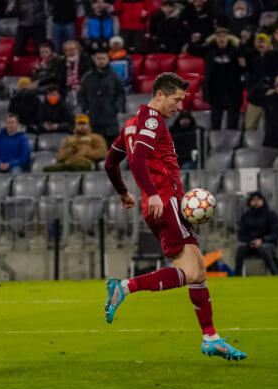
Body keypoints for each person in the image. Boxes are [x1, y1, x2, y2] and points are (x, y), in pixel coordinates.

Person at [103, 72, 247, 361]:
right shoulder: (153, 121)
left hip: (162, 203)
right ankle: (125, 287)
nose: (179, 106)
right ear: (159, 95)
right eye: (176, 100)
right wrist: (152, 192)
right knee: (192, 272)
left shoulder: (131, 125)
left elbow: (110, 164)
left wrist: (124, 193)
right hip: (165, 202)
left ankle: (211, 338)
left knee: (198, 272)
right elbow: (140, 159)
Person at [188, 26, 244, 130]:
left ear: (229, 37)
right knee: (215, 124)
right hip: (215, 93)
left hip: (233, 93)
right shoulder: (209, 49)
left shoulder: (236, 50)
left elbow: (247, 52)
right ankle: (215, 144)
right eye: (219, 36)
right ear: (215, 38)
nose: (222, 39)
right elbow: (192, 50)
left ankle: (232, 145)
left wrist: (238, 41)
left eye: (224, 36)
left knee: (233, 124)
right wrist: (202, 40)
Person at [243, 32, 278, 130]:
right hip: (254, 97)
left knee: (270, 126)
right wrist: (246, 41)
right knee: (250, 126)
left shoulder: (275, 55)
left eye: (263, 42)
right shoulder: (251, 56)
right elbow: (241, 53)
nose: (261, 44)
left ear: (268, 44)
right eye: (258, 42)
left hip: (270, 97)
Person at [77, 49, 125, 143]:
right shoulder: (87, 77)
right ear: (94, 60)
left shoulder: (114, 77)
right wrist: (84, 108)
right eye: (98, 58)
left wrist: (116, 107)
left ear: (108, 60)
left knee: (111, 148)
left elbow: (121, 94)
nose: (101, 61)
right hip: (93, 118)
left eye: (103, 58)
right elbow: (81, 95)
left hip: (110, 118)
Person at [235, 191, 278, 275]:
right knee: (240, 248)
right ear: (250, 202)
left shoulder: (271, 215)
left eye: (258, 199)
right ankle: (238, 276)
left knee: (263, 248)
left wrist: (262, 240)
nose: (256, 202)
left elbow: (276, 233)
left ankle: (275, 273)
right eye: (253, 200)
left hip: (267, 243)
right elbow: (241, 234)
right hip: (250, 243)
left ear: (263, 201)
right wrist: (250, 241)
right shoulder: (245, 216)